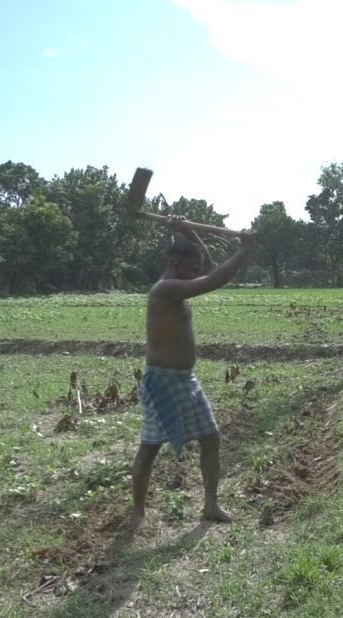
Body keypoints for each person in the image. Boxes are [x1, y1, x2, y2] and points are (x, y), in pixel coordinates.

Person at [130, 216, 258, 529]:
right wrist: (245, 250)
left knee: (211, 438)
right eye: (193, 269)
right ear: (175, 264)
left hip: (186, 380)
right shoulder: (166, 289)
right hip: (162, 381)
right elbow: (215, 280)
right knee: (149, 448)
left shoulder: (178, 283)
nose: (197, 274)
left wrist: (190, 233)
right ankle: (138, 513)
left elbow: (210, 270)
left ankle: (211, 504)